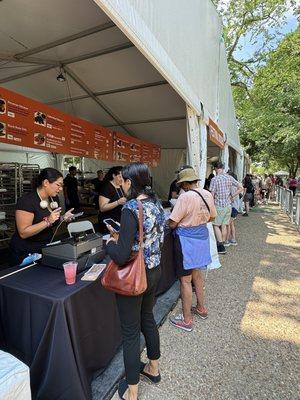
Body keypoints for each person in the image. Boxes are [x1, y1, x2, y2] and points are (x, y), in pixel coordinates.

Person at [105, 162, 165, 400]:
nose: (122, 184)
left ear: (130, 182)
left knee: (130, 333)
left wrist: (110, 243)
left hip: (135, 276)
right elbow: (148, 236)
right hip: (154, 270)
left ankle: (132, 392)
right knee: (147, 318)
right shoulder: (156, 203)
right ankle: (153, 368)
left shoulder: (131, 207)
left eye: (124, 180)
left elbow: (120, 255)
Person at [168, 167, 216, 332]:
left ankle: (187, 320)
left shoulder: (185, 197)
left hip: (185, 241)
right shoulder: (207, 194)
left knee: (185, 281)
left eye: (181, 184)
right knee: (197, 275)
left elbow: (173, 222)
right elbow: (212, 216)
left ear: (185, 184)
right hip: (202, 237)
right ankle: (201, 309)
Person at [9, 168, 74, 266]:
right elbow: (23, 233)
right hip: (26, 252)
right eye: (58, 185)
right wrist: (48, 221)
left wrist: (63, 218)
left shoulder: (53, 198)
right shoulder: (26, 201)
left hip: (44, 247)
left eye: (61, 186)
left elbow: (52, 220)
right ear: (46, 182)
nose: (60, 189)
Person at [209, 161, 243, 254]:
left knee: (216, 225)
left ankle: (220, 246)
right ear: (223, 168)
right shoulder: (229, 177)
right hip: (228, 206)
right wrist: (232, 196)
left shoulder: (214, 179)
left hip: (218, 205)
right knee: (224, 225)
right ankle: (223, 244)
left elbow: (211, 195)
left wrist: (210, 206)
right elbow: (241, 187)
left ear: (215, 169)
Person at [98, 166, 126, 233]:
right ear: (113, 175)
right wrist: (118, 202)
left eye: (123, 177)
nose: (122, 179)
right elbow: (102, 208)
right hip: (109, 221)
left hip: (119, 219)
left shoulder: (122, 186)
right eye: (120, 176)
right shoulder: (107, 187)